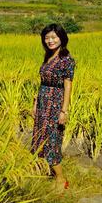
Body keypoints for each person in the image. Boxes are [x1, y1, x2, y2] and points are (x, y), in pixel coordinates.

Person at [31, 23, 76, 191]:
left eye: (54, 37)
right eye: (47, 37)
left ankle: (61, 179)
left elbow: (68, 86)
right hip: (43, 102)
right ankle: (49, 174)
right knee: (40, 139)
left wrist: (64, 110)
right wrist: (36, 103)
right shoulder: (48, 56)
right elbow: (43, 82)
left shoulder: (67, 60)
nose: (50, 40)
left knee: (51, 141)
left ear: (61, 38)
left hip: (55, 104)